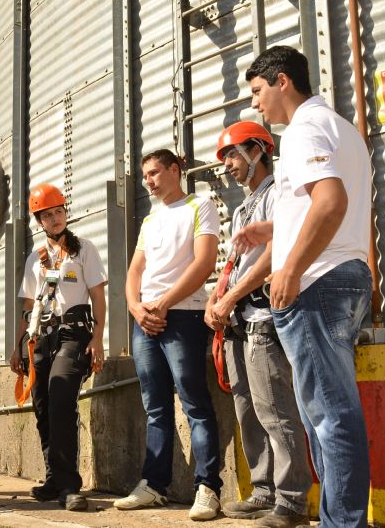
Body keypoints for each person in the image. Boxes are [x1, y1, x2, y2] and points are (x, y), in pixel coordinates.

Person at [234, 45, 373, 528]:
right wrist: (274, 230)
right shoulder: (342, 129)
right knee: (326, 414)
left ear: (282, 82)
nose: (255, 104)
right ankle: (339, 518)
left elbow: (329, 203)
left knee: (330, 416)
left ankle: (342, 523)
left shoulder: (301, 131)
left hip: (317, 284)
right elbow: (332, 206)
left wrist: (290, 267)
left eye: (257, 91)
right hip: (347, 276)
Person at [205, 121, 312, 527]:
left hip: (262, 316)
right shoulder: (241, 208)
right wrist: (217, 298)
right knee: (247, 409)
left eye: (232, 154)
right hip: (236, 319)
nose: (227, 165)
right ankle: (264, 490)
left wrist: (231, 297)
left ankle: (291, 502)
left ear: (258, 151)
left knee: (275, 409)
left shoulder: (275, 197)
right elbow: (235, 264)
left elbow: (273, 255)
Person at [117, 149, 223, 521]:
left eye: (155, 173)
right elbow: (134, 271)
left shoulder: (201, 205)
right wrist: (136, 308)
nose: (149, 180)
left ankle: (208, 488)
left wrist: (163, 303)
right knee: (155, 407)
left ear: (175, 170)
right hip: (146, 320)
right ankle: (154, 485)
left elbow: (205, 262)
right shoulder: (150, 219)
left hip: (184, 315)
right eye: (145, 175)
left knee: (194, 402)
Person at [10, 183, 107, 511]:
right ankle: (54, 478)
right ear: (39, 220)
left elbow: (97, 296)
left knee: (62, 399)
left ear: (66, 212)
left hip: (73, 333)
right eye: (47, 215)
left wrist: (98, 339)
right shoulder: (36, 259)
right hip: (40, 338)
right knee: (43, 407)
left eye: (58, 212)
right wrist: (17, 345)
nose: (54, 219)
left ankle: (69, 486)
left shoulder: (84, 250)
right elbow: (27, 304)